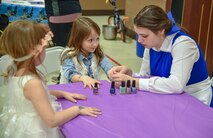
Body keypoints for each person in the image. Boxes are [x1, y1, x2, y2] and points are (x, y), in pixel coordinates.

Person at [0, 20, 101, 137]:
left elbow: (35, 96)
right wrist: (77, 109)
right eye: (45, 48)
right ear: (35, 52)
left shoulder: (16, 69)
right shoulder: (33, 83)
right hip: (36, 131)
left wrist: (62, 93)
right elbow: (52, 120)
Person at [109, 5, 212, 105]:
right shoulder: (151, 44)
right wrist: (130, 75)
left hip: (195, 100)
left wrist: (134, 81)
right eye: (138, 35)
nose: (139, 40)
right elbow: (146, 77)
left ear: (161, 30)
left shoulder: (183, 44)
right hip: (169, 97)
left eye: (144, 35)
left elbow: (176, 85)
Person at [59, 17, 113, 89]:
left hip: (91, 90)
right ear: (78, 39)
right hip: (71, 91)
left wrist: (112, 72)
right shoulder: (68, 54)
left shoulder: (98, 52)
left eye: (97, 39)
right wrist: (83, 78)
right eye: (90, 40)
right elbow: (70, 73)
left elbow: (107, 65)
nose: (95, 44)